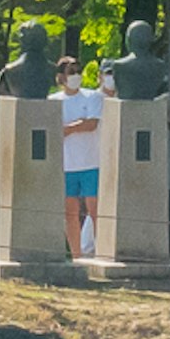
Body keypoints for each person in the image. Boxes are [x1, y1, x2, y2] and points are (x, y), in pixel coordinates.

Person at [56, 52, 102, 258]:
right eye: (71, 72)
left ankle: (102, 251)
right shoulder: (53, 100)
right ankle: (76, 256)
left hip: (90, 162)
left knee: (95, 211)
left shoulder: (92, 96)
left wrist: (68, 129)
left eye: (78, 71)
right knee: (70, 213)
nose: (76, 75)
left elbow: (91, 123)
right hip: (66, 165)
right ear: (62, 77)